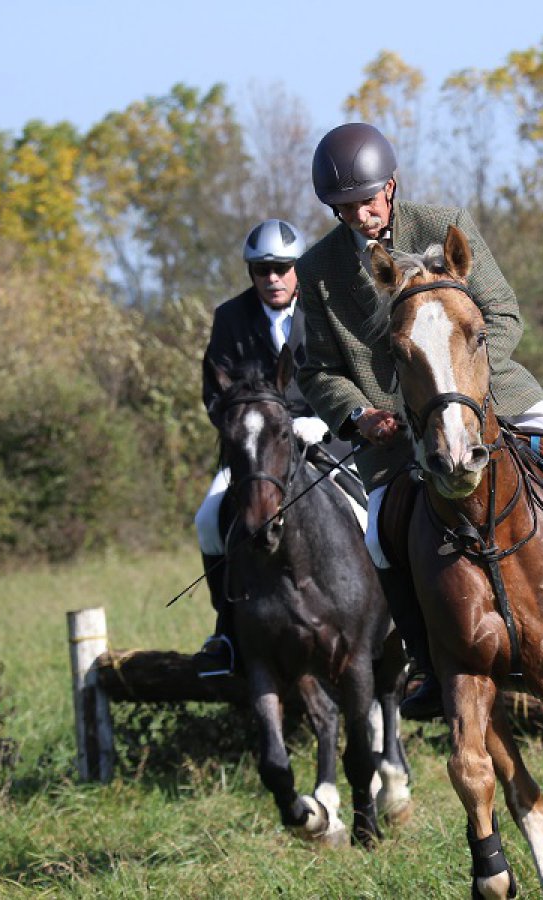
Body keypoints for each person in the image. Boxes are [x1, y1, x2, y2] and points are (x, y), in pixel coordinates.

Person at [293, 122, 543, 721]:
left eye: (367, 202)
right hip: (395, 428)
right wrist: (357, 415)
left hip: (486, 394)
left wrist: (462, 387)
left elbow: (501, 311)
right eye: (344, 208)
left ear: (392, 188)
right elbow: (320, 369)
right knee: (379, 534)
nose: (359, 216)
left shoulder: (441, 225)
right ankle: (429, 666)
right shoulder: (319, 269)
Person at [190, 218, 352, 677]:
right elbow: (214, 395)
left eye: (282, 267)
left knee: (370, 515)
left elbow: (352, 377)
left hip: (323, 438)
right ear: (252, 274)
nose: (274, 278)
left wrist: (323, 422)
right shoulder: (229, 318)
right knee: (207, 521)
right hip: (257, 449)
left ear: (298, 268)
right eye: (263, 270)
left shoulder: (326, 311)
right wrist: (246, 429)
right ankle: (227, 631)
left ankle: (396, 626)